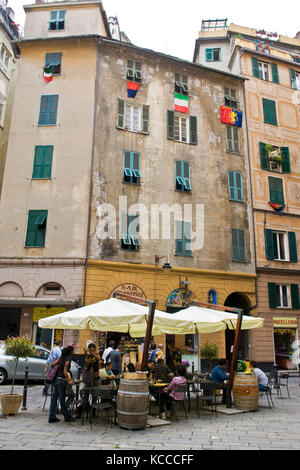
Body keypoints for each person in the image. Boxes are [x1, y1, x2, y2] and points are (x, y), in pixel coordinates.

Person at [48, 345, 75, 423]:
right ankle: (66, 415)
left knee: (54, 398)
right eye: (73, 351)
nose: (73, 352)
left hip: (56, 379)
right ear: (71, 352)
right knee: (62, 399)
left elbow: (52, 364)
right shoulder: (68, 359)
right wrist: (69, 381)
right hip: (62, 381)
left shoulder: (61, 357)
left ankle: (52, 416)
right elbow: (65, 371)